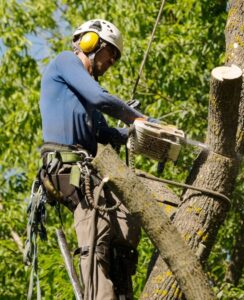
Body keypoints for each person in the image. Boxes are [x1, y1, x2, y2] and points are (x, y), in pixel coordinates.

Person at [39, 19, 152, 300]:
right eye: (110, 52)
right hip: (66, 167)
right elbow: (100, 98)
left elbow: (106, 132)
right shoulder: (66, 62)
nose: (112, 60)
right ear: (92, 43)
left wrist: (140, 130)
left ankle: (121, 291)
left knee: (125, 227)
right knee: (97, 227)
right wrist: (134, 116)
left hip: (84, 171)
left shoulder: (86, 97)